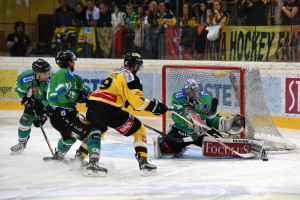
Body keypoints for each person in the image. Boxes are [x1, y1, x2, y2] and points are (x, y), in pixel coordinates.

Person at [85, 52, 168, 174]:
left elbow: (118, 96)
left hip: (91, 108)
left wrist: (128, 103)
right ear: (135, 66)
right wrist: (155, 106)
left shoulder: (115, 72)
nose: (138, 68)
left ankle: (88, 161)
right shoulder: (131, 77)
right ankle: (143, 162)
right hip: (108, 110)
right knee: (139, 129)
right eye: (138, 65)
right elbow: (138, 103)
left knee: (96, 130)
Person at [45, 50, 107, 177]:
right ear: (69, 61)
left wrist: (92, 97)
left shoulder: (72, 77)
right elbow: (64, 96)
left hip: (63, 117)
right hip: (63, 117)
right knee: (94, 131)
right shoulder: (63, 73)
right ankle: (93, 163)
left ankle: (59, 157)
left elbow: (83, 92)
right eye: (72, 61)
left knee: (69, 138)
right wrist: (79, 96)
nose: (74, 63)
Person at [153, 79, 245, 158]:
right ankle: (176, 143)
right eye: (191, 92)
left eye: (196, 91)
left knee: (220, 149)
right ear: (186, 93)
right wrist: (192, 122)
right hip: (180, 132)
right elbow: (177, 117)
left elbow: (212, 119)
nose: (194, 94)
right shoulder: (177, 97)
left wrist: (223, 124)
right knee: (165, 148)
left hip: (201, 134)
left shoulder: (206, 99)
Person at [11, 59, 51, 154]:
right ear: (36, 74)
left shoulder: (53, 81)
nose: (47, 75)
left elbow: (54, 102)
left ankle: (63, 151)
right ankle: (22, 143)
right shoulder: (26, 78)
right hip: (37, 101)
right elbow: (19, 89)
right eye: (44, 74)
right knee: (24, 120)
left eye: (48, 72)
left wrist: (44, 115)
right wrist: (25, 99)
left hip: (52, 105)